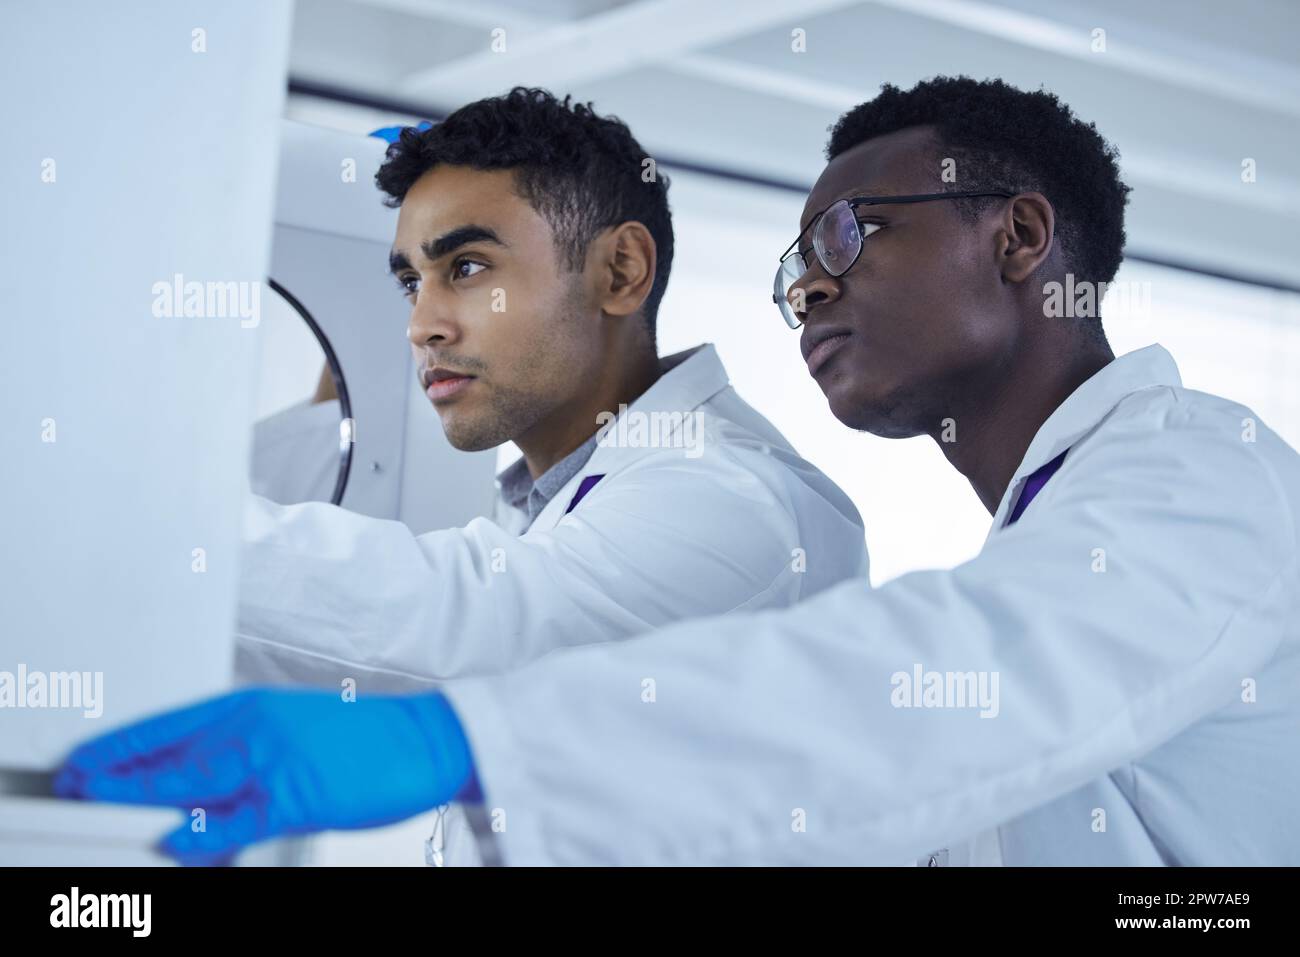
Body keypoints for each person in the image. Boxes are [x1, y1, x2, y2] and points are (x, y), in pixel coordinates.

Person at [57, 77, 1299, 866]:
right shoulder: (1053, 522)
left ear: (1019, 237)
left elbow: (955, 679)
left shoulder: (1200, 474)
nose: (808, 286)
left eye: (844, 236)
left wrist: (464, 738)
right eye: (793, 264)